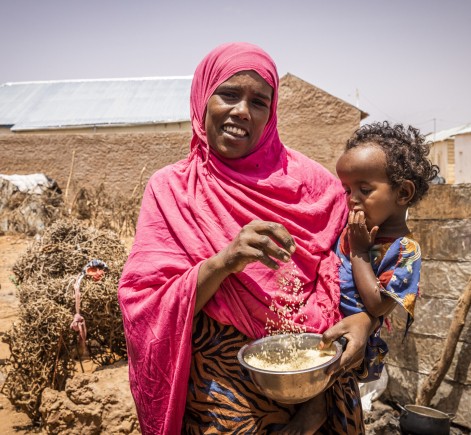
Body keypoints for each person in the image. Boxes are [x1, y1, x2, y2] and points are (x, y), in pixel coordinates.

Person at [118, 42, 377, 435]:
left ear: (271, 115)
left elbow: (352, 273)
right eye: (229, 94)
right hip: (223, 395)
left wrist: (362, 320)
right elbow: (145, 301)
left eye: (259, 102)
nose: (242, 110)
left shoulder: (316, 187)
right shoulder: (172, 189)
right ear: (203, 98)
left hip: (320, 383)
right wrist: (224, 262)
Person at [335, 122, 439, 381]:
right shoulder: (353, 225)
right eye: (347, 189)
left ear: (402, 192)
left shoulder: (404, 249)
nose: (351, 199)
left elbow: (378, 304)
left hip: (353, 343)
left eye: (365, 190)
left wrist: (359, 252)